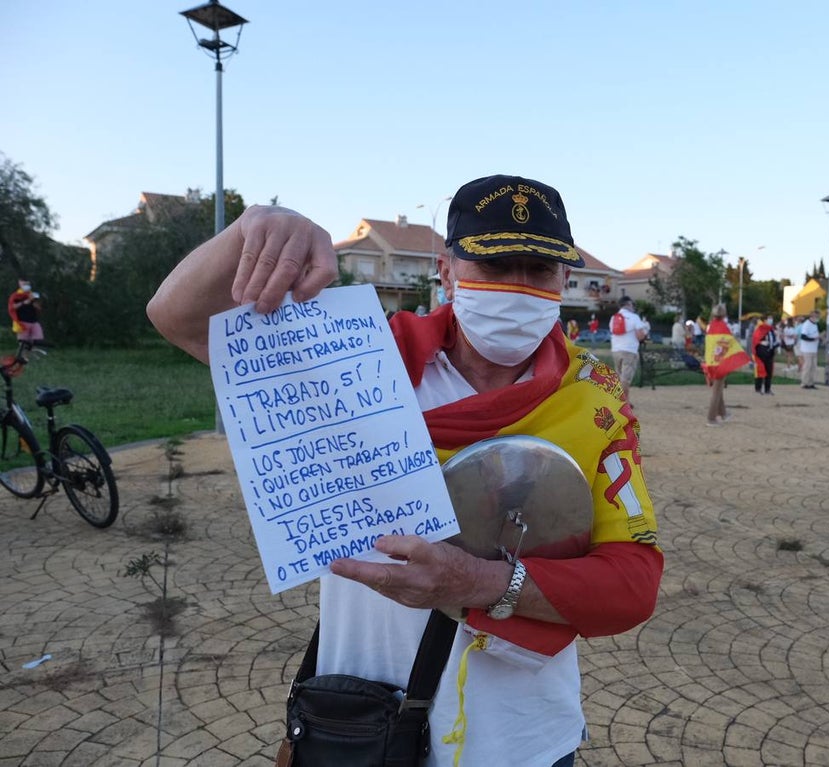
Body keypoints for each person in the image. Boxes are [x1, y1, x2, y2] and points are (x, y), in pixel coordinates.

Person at [146, 174, 663, 766]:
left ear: (564, 280)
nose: (517, 288)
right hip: (362, 721)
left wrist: (480, 582)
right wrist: (251, 228)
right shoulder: (360, 355)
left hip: (525, 740)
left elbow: (633, 582)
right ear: (447, 271)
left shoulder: (595, 398)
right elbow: (177, 316)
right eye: (495, 265)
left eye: (539, 270)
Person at [702, 303, 749, 425]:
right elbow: (730, 343)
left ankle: (723, 413)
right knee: (717, 391)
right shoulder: (724, 328)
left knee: (718, 389)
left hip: (711, 361)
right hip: (720, 362)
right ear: (724, 315)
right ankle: (711, 418)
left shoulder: (710, 327)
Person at [609, 296, 648, 402]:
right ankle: (624, 402)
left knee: (619, 376)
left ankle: (619, 400)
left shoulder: (613, 318)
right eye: (632, 305)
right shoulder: (634, 317)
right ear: (628, 304)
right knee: (625, 379)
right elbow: (640, 335)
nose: (633, 307)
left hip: (616, 350)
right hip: (629, 350)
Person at [7, 278, 43, 345]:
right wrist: (23, 303)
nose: (26, 286)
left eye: (28, 284)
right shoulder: (15, 295)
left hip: (34, 321)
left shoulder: (33, 294)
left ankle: (33, 350)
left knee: (37, 341)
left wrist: (36, 304)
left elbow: (39, 307)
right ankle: (24, 351)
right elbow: (12, 307)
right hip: (22, 322)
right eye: (24, 284)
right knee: (23, 344)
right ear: (20, 284)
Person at [751, 316, 778, 395]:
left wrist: (775, 346)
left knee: (769, 371)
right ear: (764, 320)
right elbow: (756, 339)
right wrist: (761, 342)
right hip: (761, 351)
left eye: (771, 319)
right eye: (768, 319)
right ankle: (758, 388)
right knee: (760, 370)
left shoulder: (771, 329)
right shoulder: (760, 328)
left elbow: (774, 340)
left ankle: (767, 389)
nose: (770, 320)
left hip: (770, 351)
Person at [797, 309, 821, 389]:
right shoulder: (806, 324)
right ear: (812, 316)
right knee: (807, 366)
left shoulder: (815, 325)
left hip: (814, 349)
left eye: (818, 317)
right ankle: (804, 383)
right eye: (816, 317)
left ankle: (811, 382)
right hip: (807, 349)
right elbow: (803, 336)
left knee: (813, 367)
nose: (817, 318)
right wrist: (813, 339)